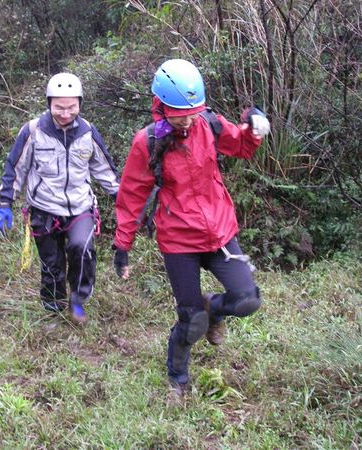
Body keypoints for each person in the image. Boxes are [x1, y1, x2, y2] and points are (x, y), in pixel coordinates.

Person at [112, 59, 271, 398]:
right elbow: (131, 196)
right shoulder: (149, 141)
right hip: (179, 239)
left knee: (247, 300)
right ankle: (178, 379)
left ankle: (214, 308)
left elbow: (241, 145)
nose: (187, 120)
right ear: (160, 105)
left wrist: (254, 128)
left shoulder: (208, 124)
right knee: (191, 319)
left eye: (192, 112)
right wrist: (122, 245)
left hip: (220, 234)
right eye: (179, 113)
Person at [0, 72, 120, 324]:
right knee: (52, 262)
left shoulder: (88, 132)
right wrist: (5, 204)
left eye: (71, 107)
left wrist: (124, 200)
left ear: (80, 105)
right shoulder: (33, 130)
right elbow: (15, 168)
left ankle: (78, 301)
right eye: (59, 107)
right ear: (49, 103)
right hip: (44, 207)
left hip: (80, 207)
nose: (65, 113)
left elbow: (105, 171)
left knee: (81, 249)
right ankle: (53, 308)